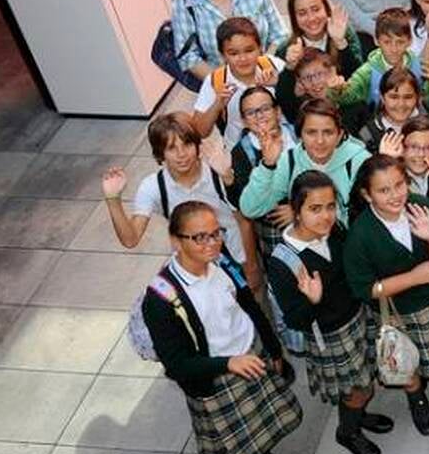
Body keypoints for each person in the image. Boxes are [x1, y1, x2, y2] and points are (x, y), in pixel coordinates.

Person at [142, 201, 302, 454]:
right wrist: (228, 364)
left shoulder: (222, 262)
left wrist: (273, 349)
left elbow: (249, 305)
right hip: (215, 375)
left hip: (250, 352)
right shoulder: (160, 300)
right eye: (200, 237)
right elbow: (178, 366)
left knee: (261, 422)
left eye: (216, 233)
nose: (212, 243)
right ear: (175, 241)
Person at [265, 171, 394, 454]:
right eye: (315, 208)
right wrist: (314, 300)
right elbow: (296, 320)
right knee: (356, 389)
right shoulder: (283, 262)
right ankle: (348, 431)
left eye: (330, 206)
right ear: (295, 210)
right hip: (331, 334)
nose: (326, 216)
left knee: (366, 378)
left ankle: (358, 415)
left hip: (358, 316)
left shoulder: (332, 230)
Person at [344, 154, 429, 436]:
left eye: (400, 185)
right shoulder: (361, 234)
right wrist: (412, 278)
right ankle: (416, 399)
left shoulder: (420, 207)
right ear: (366, 194)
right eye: (384, 190)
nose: (395, 195)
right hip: (394, 312)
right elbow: (364, 289)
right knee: (404, 362)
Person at [102, 113, 257, 281]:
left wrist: (250, 265)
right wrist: (113, 199)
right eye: (171, 148)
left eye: (187, 144)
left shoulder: (217, 169)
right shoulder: (153, 187)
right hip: (196, 268)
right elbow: (131, 239)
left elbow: (244, 220)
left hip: (238, 257)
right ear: (160, 153)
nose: (181, 154)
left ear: (197, 145)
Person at [240, 99, 373, 228]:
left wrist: (303, 213)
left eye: (328, 132)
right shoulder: (290, 160)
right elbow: (251, 209)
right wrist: (268, 165)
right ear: (300, 136)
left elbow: (375, 213)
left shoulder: (360, 161)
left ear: (339, 135)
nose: (320, 141)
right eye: (311, 132)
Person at [191, 17, 284, 149]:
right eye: (233, 53)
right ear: (223, 55)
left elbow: (302, 100)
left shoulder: (274, 65)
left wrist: (280, 83)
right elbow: (199, 131)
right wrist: (217, 105)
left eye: (249, 50)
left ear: (260, 48)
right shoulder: (216, 80)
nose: (243, 58)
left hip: (283, 142)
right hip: (242, 153)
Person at [227, 87, 297, 257]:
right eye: (251, 113)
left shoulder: (300, 134)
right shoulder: (241, 152)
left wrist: (299, 210)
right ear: (243, 121)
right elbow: (244, 204)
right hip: (274, 235)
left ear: (278, 111)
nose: (259, 116)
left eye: (265, 109)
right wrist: (228, 180)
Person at [276, 0, 364, 80]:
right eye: (302, 13)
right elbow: (282, 93)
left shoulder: (344, 33)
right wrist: (289, 67)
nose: (311, 18)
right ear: (294, 18)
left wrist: (341, 44)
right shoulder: (285, 49)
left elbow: (360, 80)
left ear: (326, 9)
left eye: (316, 9)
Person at [277, 47, 366, 135]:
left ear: (333, 70)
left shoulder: (354, 101)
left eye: (319, 74)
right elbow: (284, 97)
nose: (314, 82)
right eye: (307, 78)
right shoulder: (303, 110)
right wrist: (289, 67)